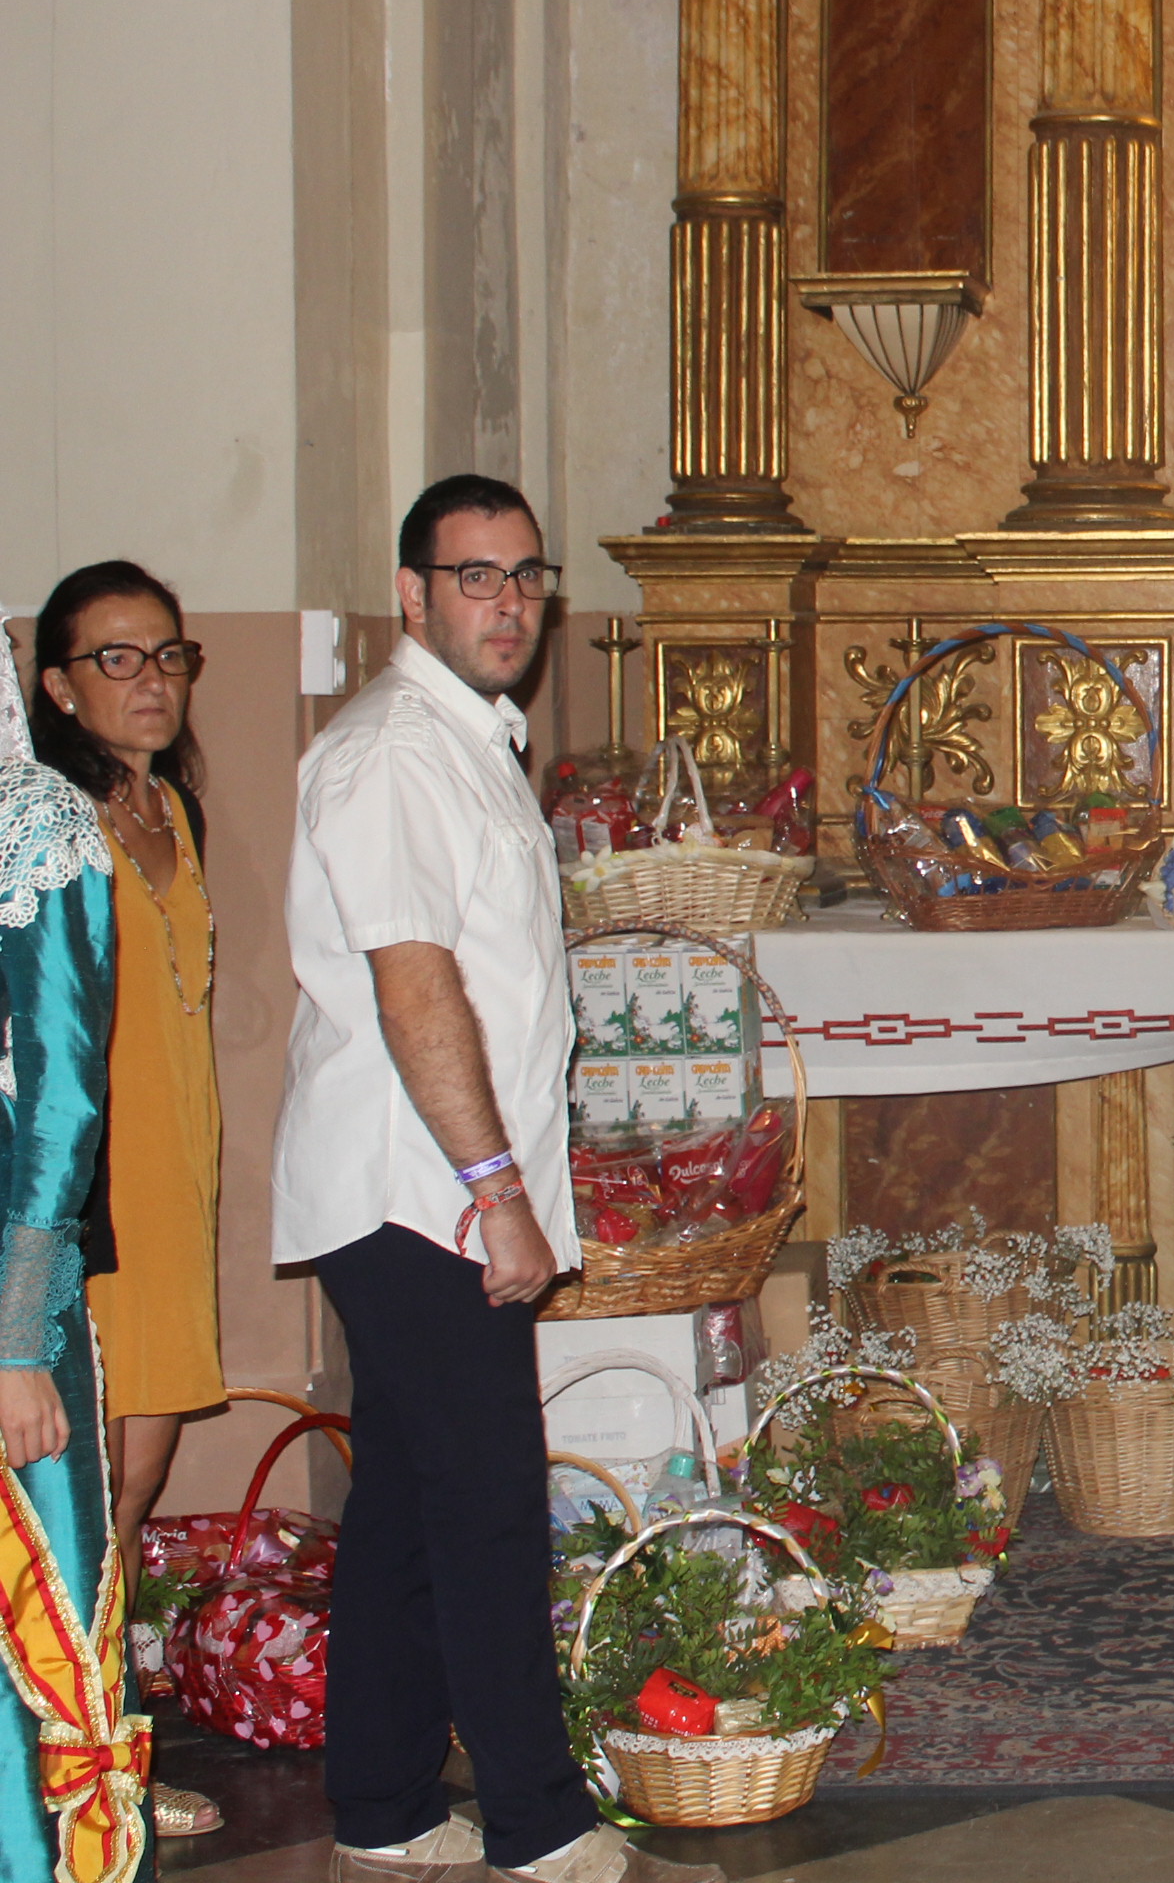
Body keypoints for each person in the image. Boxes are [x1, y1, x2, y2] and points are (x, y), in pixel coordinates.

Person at [275, 477, 716, 1883]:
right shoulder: (391, 751)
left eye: (525, 575)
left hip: (428, 1186)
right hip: (417, 1193)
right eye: (475, 576)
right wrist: (497, 1191)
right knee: (488, 1506)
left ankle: (384, 1803)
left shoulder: (467, 739)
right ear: (411, 594)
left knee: (410, 1505)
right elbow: (416, 987)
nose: (509, 602)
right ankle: (541, 1826)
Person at [31, 561, 229, 1844]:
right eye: (116, 658)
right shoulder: (48, 825)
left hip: (176, 1182)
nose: (149, 680)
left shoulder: (174, 810)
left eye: (167, 654)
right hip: (92, 1195)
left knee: (135, 1478)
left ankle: (102, 1745)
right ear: (58, 686)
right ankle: (69, 1762)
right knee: (82, 1489)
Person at [0, 633, 148, 1882]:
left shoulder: (32, 824)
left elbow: (60, 1108)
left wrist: (17, 1340)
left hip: (9, 1298)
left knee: (33, 1630)